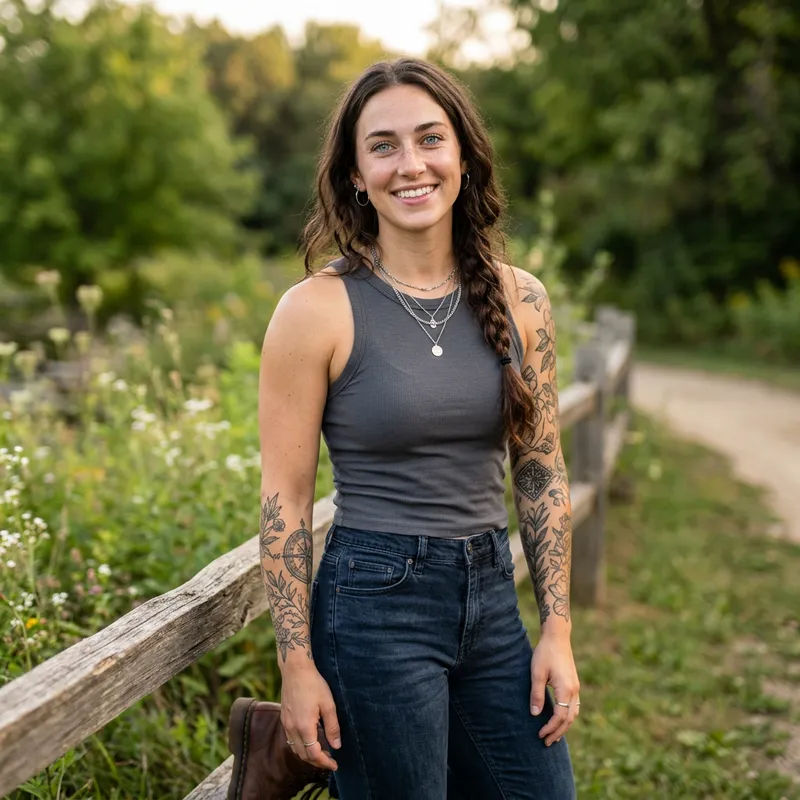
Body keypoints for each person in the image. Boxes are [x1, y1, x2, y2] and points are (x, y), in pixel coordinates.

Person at [255, 57, 580, 800]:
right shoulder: (315, 310)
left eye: (430, 139)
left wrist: (556, 632)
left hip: (492, 596)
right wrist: (296, 664)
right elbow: (286, 498)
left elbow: (540, 470)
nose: (412, 164)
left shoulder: (521, 298)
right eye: (384, 146)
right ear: (354, 176)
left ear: (463, 156)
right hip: (373, 607)